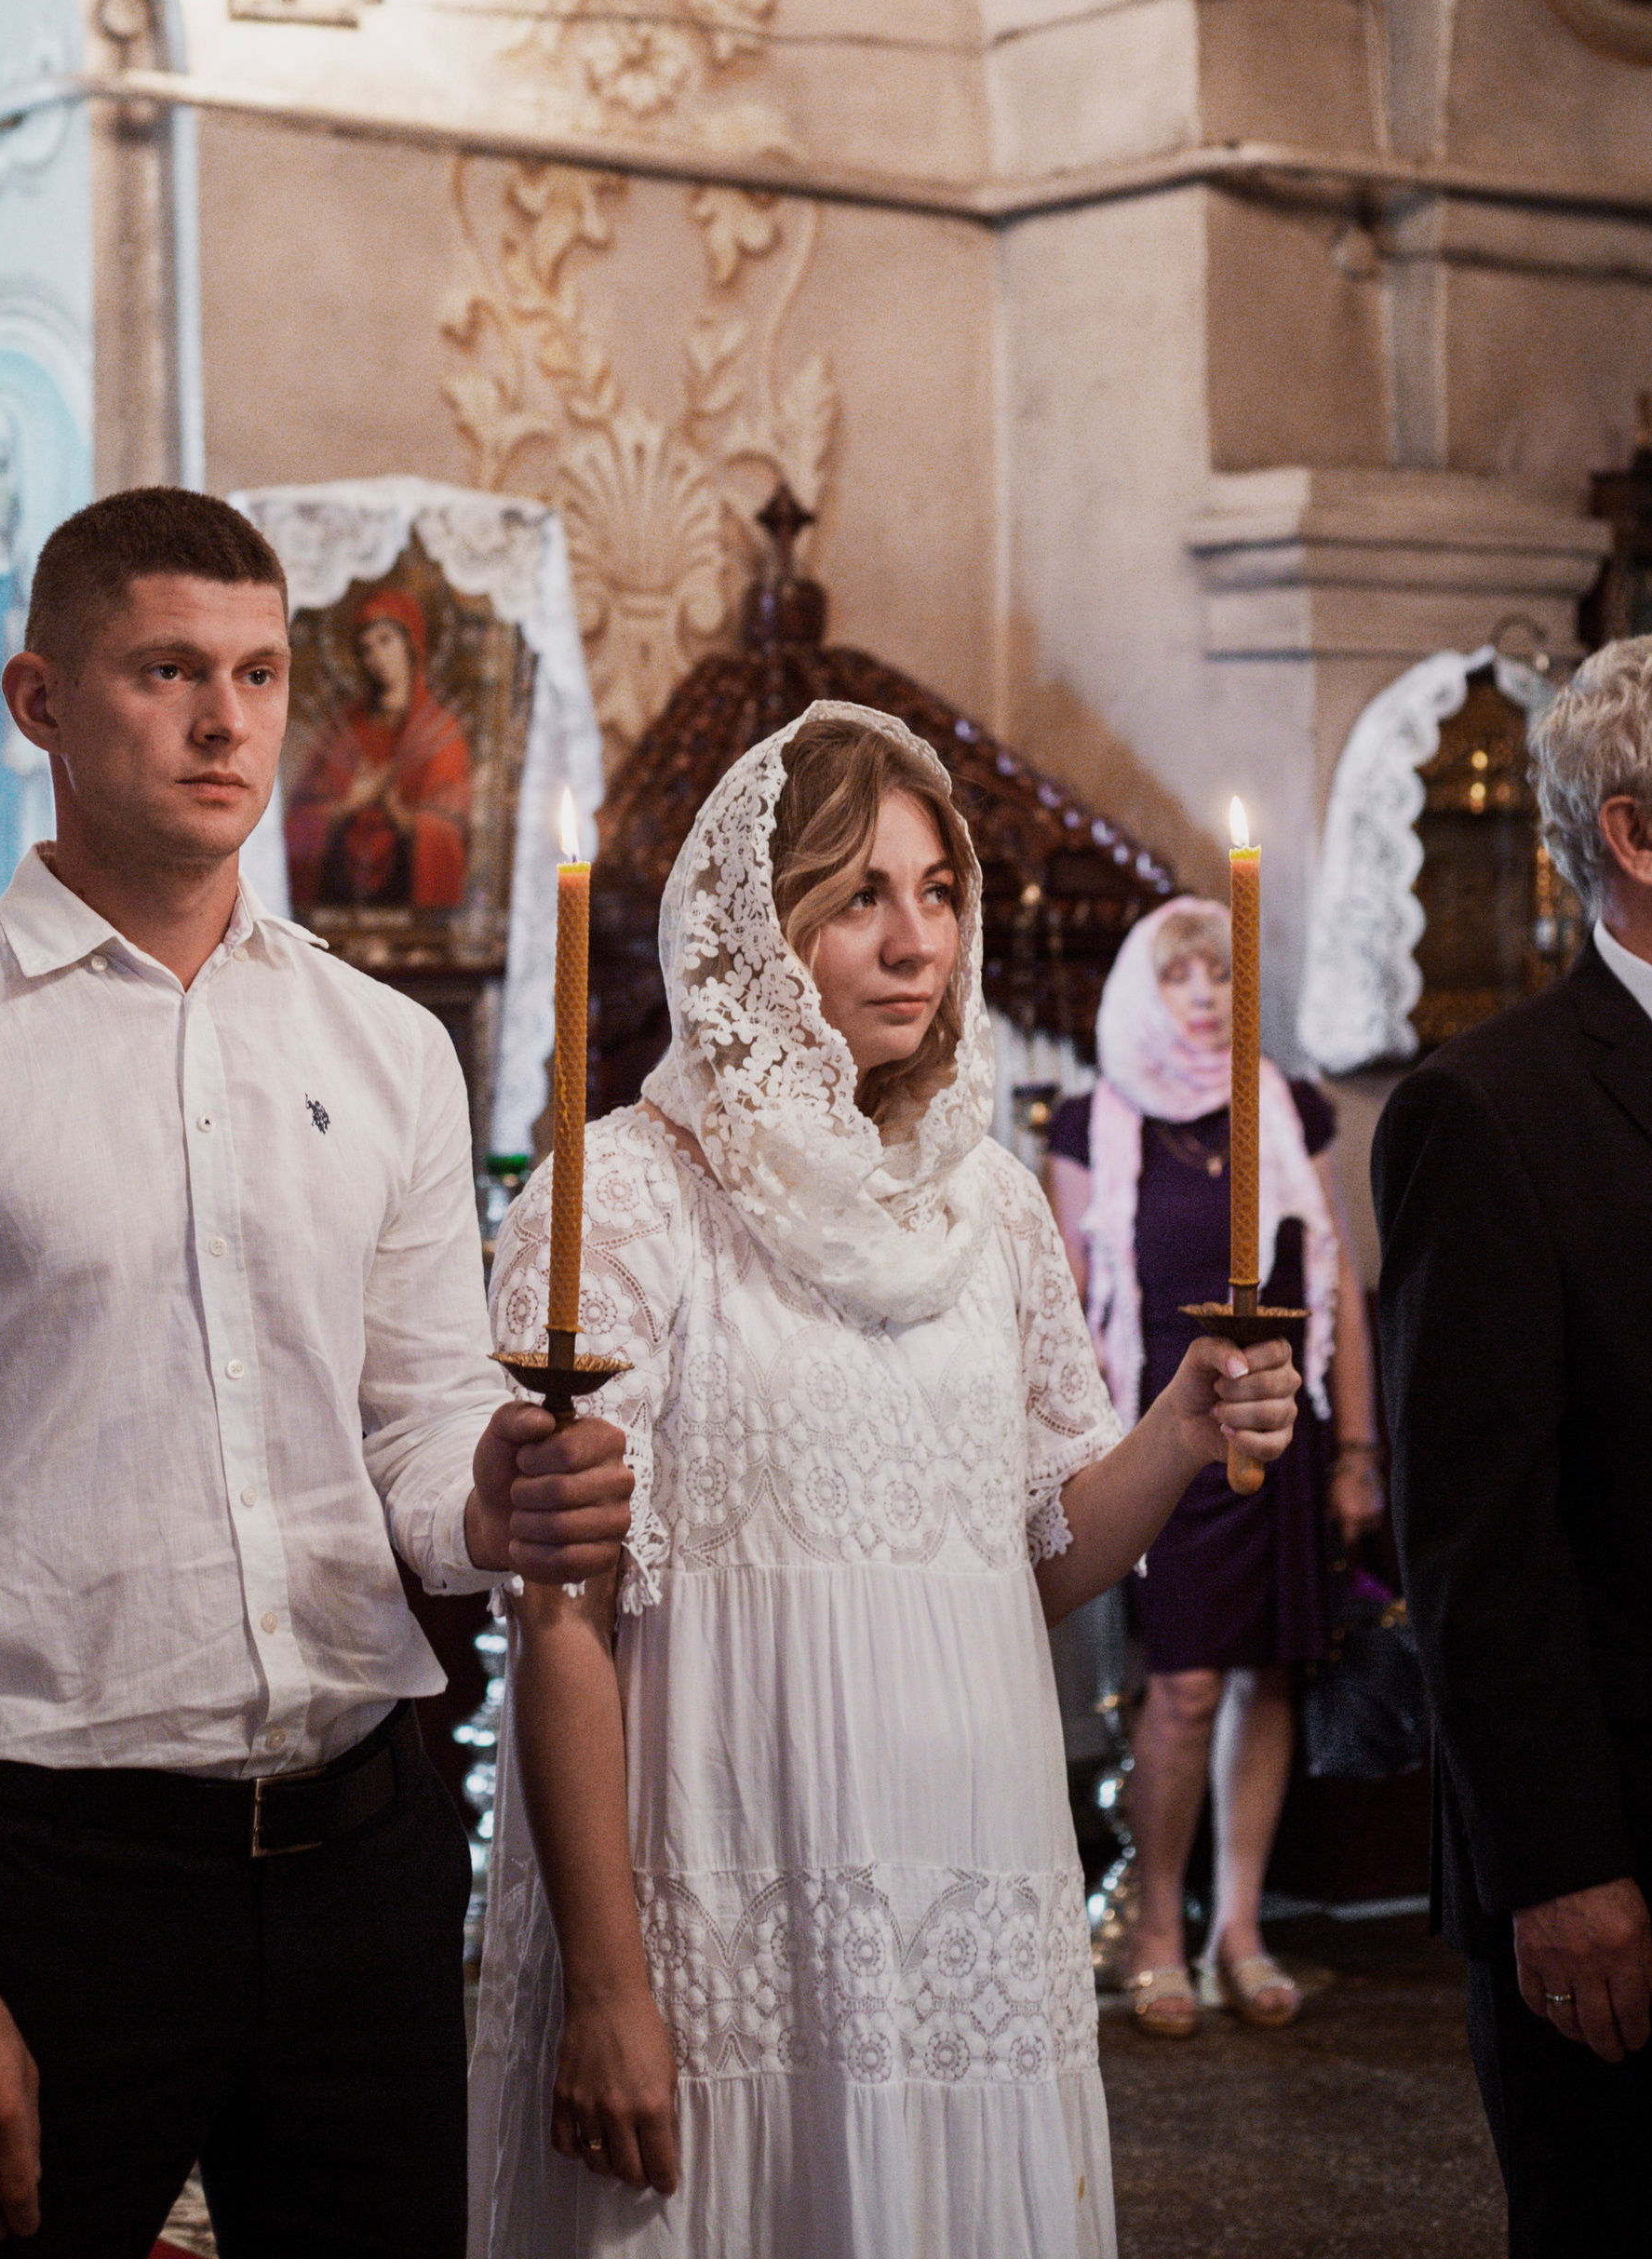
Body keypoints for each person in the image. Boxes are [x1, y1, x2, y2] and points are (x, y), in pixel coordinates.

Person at [0, 487, 635, 2259]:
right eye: (167, 671)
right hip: (57, 1875)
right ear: (40, 704)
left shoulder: (384, 1051)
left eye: (257, 671)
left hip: (365, 1855)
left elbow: (410, 1427)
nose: (229, 722)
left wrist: (486, 1491)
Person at [468, 702, 1299, 2257]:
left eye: (938, 895)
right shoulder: (628, 1197)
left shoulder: (990, 1206)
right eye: (860, 898)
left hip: (962, 1867)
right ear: (761, 936)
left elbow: (1038, 1557)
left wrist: (1183, 1427)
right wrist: (606, 1980)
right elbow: (561, 1617)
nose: (917, 942)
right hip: (724, 1871)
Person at [1373, 619, 1652, 2258]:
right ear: (1634, 837)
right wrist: (1559, 1868)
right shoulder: (1492, 1113)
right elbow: (1479, 1545)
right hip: (1642, 1884)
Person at [1045, 898, 1380, 2035]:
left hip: (1282, 1429)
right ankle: (1154, 1929)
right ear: (1146, 987)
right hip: (1159, 1444)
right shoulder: (1094, 1121)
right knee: (1182, 1686)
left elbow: (1334, 1285)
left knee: (1267, 1676)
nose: (1201, 994)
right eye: (1179, 975)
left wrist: (1356, 1451)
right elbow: (1072, 1318)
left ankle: (1239, 1925)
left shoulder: (1285, 1108)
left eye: (1217, 977)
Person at [284, 583, 474, 916]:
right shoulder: (343, 729)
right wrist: (349, 805)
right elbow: (297, 822)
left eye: (385, 641)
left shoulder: (439, 731)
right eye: (365, 648)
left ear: (411, 642)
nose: (376, 657)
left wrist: (395, 810)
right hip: (339, 894)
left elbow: (450, 835)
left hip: (408, 889)